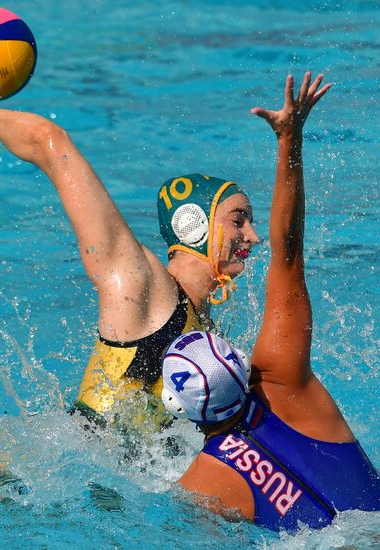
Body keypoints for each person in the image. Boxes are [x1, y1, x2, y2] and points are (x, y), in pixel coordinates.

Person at [0, 51, 259, 428]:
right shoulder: (138, 282)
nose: (252, 237)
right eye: (238, 220)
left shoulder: (209, 334)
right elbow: (49, 143)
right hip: (62, 468)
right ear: (192, 224)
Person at [161, 74, 380, 530]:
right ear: (240, 363)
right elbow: (288, 250)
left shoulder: (198, 487)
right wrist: (289, 139)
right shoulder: (284, 381)